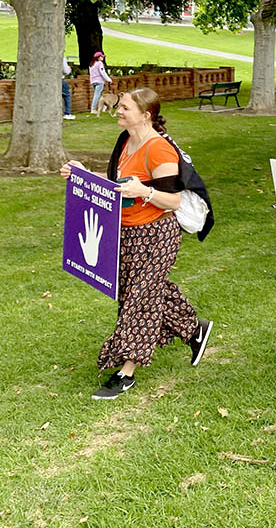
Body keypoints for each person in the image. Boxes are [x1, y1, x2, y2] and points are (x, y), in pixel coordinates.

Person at [60, 88, 212, 399]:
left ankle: (126, 370)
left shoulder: (159, 150)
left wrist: (144, 192)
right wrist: (82, 174)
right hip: (126, 232)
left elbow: (173, 198)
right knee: (144, 289)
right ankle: (194, 329)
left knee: (139, 298)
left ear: (146, 115)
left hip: (157, 233)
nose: (118, 110)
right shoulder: (126, 141)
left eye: (125, 107)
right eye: (119, 106)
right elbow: (116, 183)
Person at [89, 51, 112, 115]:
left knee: (99, 95)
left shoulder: (91, 64)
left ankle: (104, 107)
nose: (102, 58)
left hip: (93, 81)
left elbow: (91, 74)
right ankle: (93, 109)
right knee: (97, 95)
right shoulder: (100, 63)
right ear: (98, 57)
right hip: (99, 81)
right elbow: (103, 72)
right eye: (101, 56)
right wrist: (109, 79)